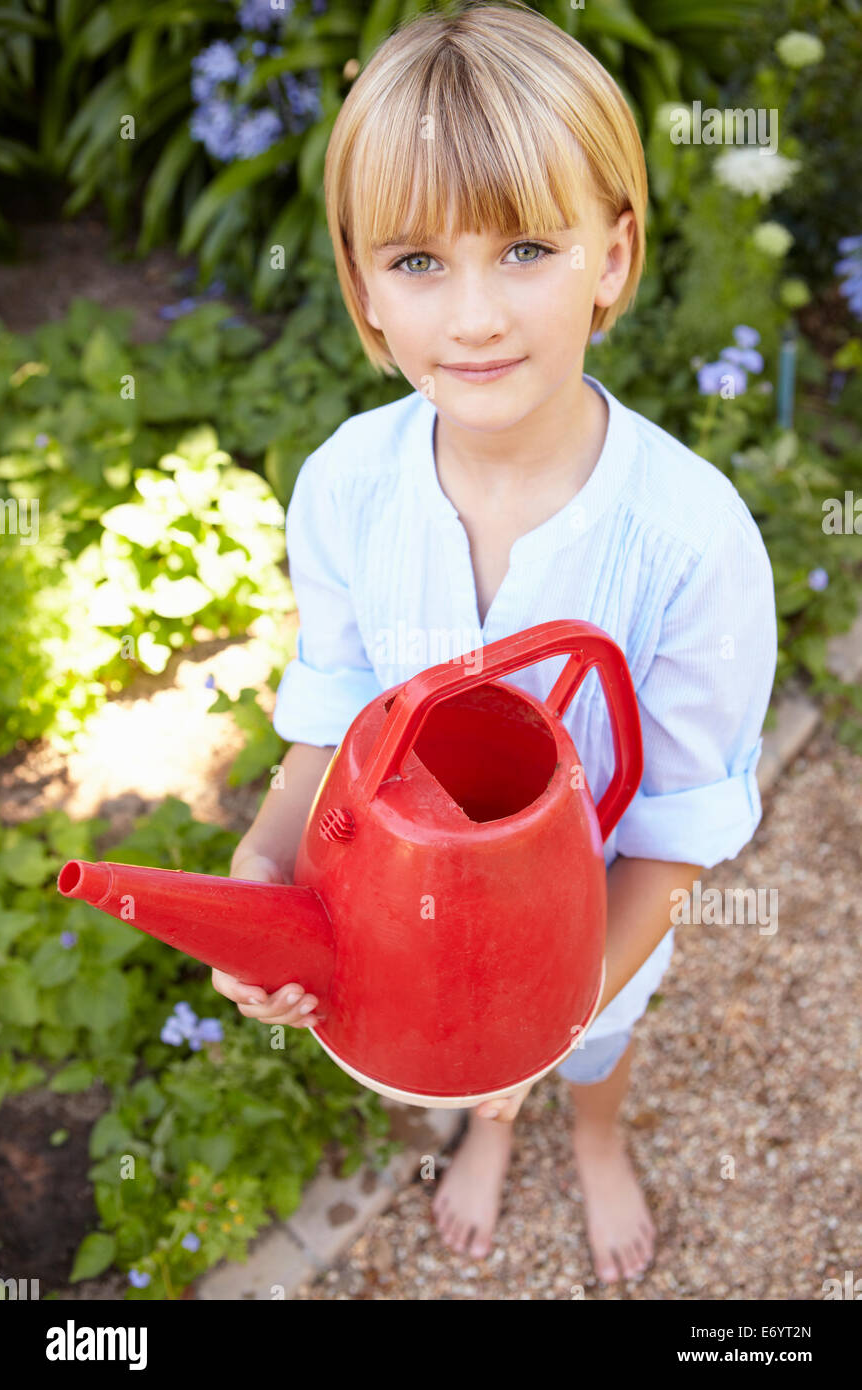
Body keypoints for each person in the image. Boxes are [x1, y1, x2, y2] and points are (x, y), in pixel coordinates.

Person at [211, 0, 777, 1286]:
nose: (471, 316)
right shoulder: (346, 487)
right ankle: (481, 1126)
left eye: (525, 247)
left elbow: (675, 841)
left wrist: (544, 1020)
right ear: (358, 284)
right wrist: (267, 855)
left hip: (592, 917)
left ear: (614, 258)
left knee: (592, 1048)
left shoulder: (691, 543)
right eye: (416, 261)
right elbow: (336, 723)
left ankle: (590, 1135)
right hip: (404, 913)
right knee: (466, 1074)